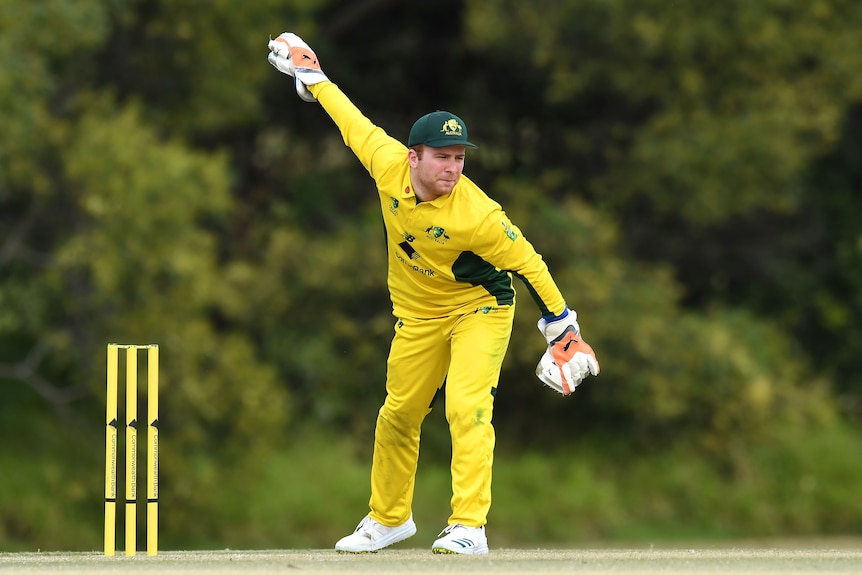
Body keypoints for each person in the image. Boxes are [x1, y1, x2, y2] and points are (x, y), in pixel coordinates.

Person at [267, 32, 600, 555]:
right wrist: (313, 76)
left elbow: (528, 263)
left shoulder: (480, 215)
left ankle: (469, 526)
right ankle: (388, 519)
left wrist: (562, 328)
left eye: (459, 158)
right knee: (397, 414)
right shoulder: (387, 163)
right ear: (414, 156)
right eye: (442, 157)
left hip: (481, 309)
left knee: (467, 407)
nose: (452, 168)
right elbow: (351, 123)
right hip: (418, 316)